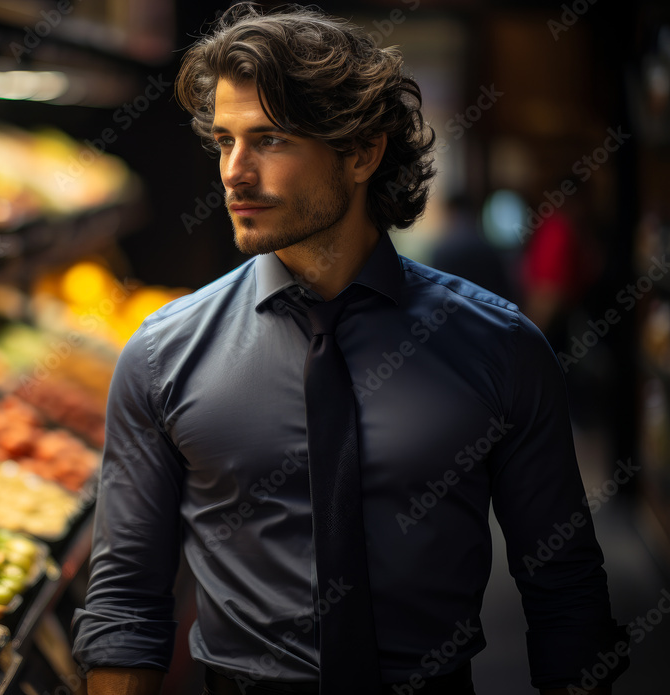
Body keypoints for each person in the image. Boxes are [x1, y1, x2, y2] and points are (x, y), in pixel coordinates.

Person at [71, 5, 626, 694]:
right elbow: (126, 600)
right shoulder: (162, 353)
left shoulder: (500, 347)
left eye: (270, 139)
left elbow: (565, 590)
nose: (235, 173)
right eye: (224, 141)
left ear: (363, 152)